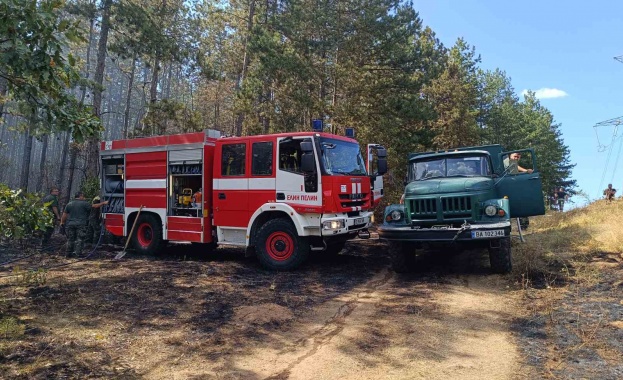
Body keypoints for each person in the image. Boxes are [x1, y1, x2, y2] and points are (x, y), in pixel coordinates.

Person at [60, 191, 108, 257]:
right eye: (83, 196)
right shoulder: (84, 204)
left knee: (70, 239)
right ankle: (78, 254)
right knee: (80, 239)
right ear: (80, 196)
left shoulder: (69, 204)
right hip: (81, 224)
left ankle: (68, 253)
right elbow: (94, 206)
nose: (84, 197)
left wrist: (62, 222)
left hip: (71, 224)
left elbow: (64, 214)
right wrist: (103, 203)